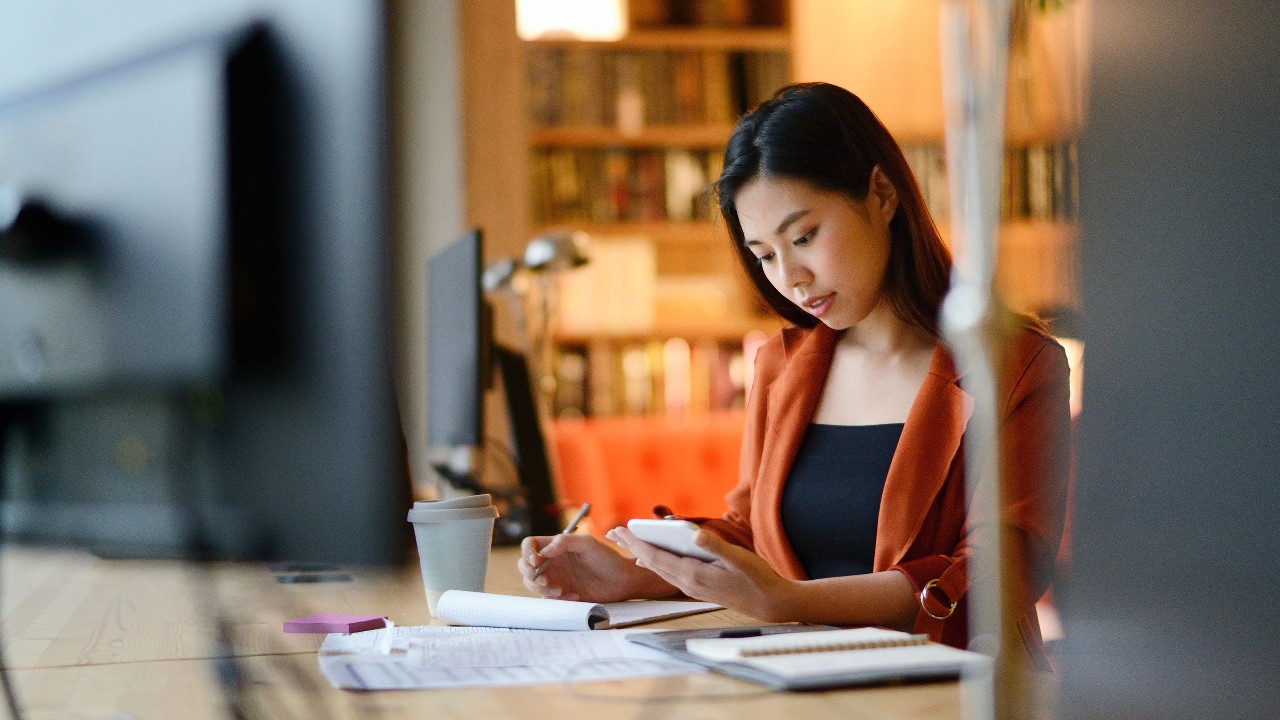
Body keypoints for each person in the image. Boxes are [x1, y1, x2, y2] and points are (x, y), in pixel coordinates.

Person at [518, 82, 1070, 666]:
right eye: (764, 254)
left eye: (804, 237)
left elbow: (998, 572)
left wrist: (789, 601)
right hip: (804, 680)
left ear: (881, 194)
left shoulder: (1015, 366)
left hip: (955, 687)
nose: (791, 277)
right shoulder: (783, 367)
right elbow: (753, 533)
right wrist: (633, 573)